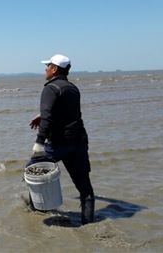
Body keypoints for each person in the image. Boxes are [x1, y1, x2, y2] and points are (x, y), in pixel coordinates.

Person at [27, 54, 95, 225]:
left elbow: (49, 117)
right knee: (85, 189)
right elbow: (66, 111)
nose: (45, 69)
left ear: (55, 69)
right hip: (79, 142)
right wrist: (41, 115)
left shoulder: (50, 88)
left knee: (32, 169)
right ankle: (88, 224)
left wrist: (39, 143)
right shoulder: (73, 88)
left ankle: (36, 212)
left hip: (58, 144)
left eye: (48, 66)